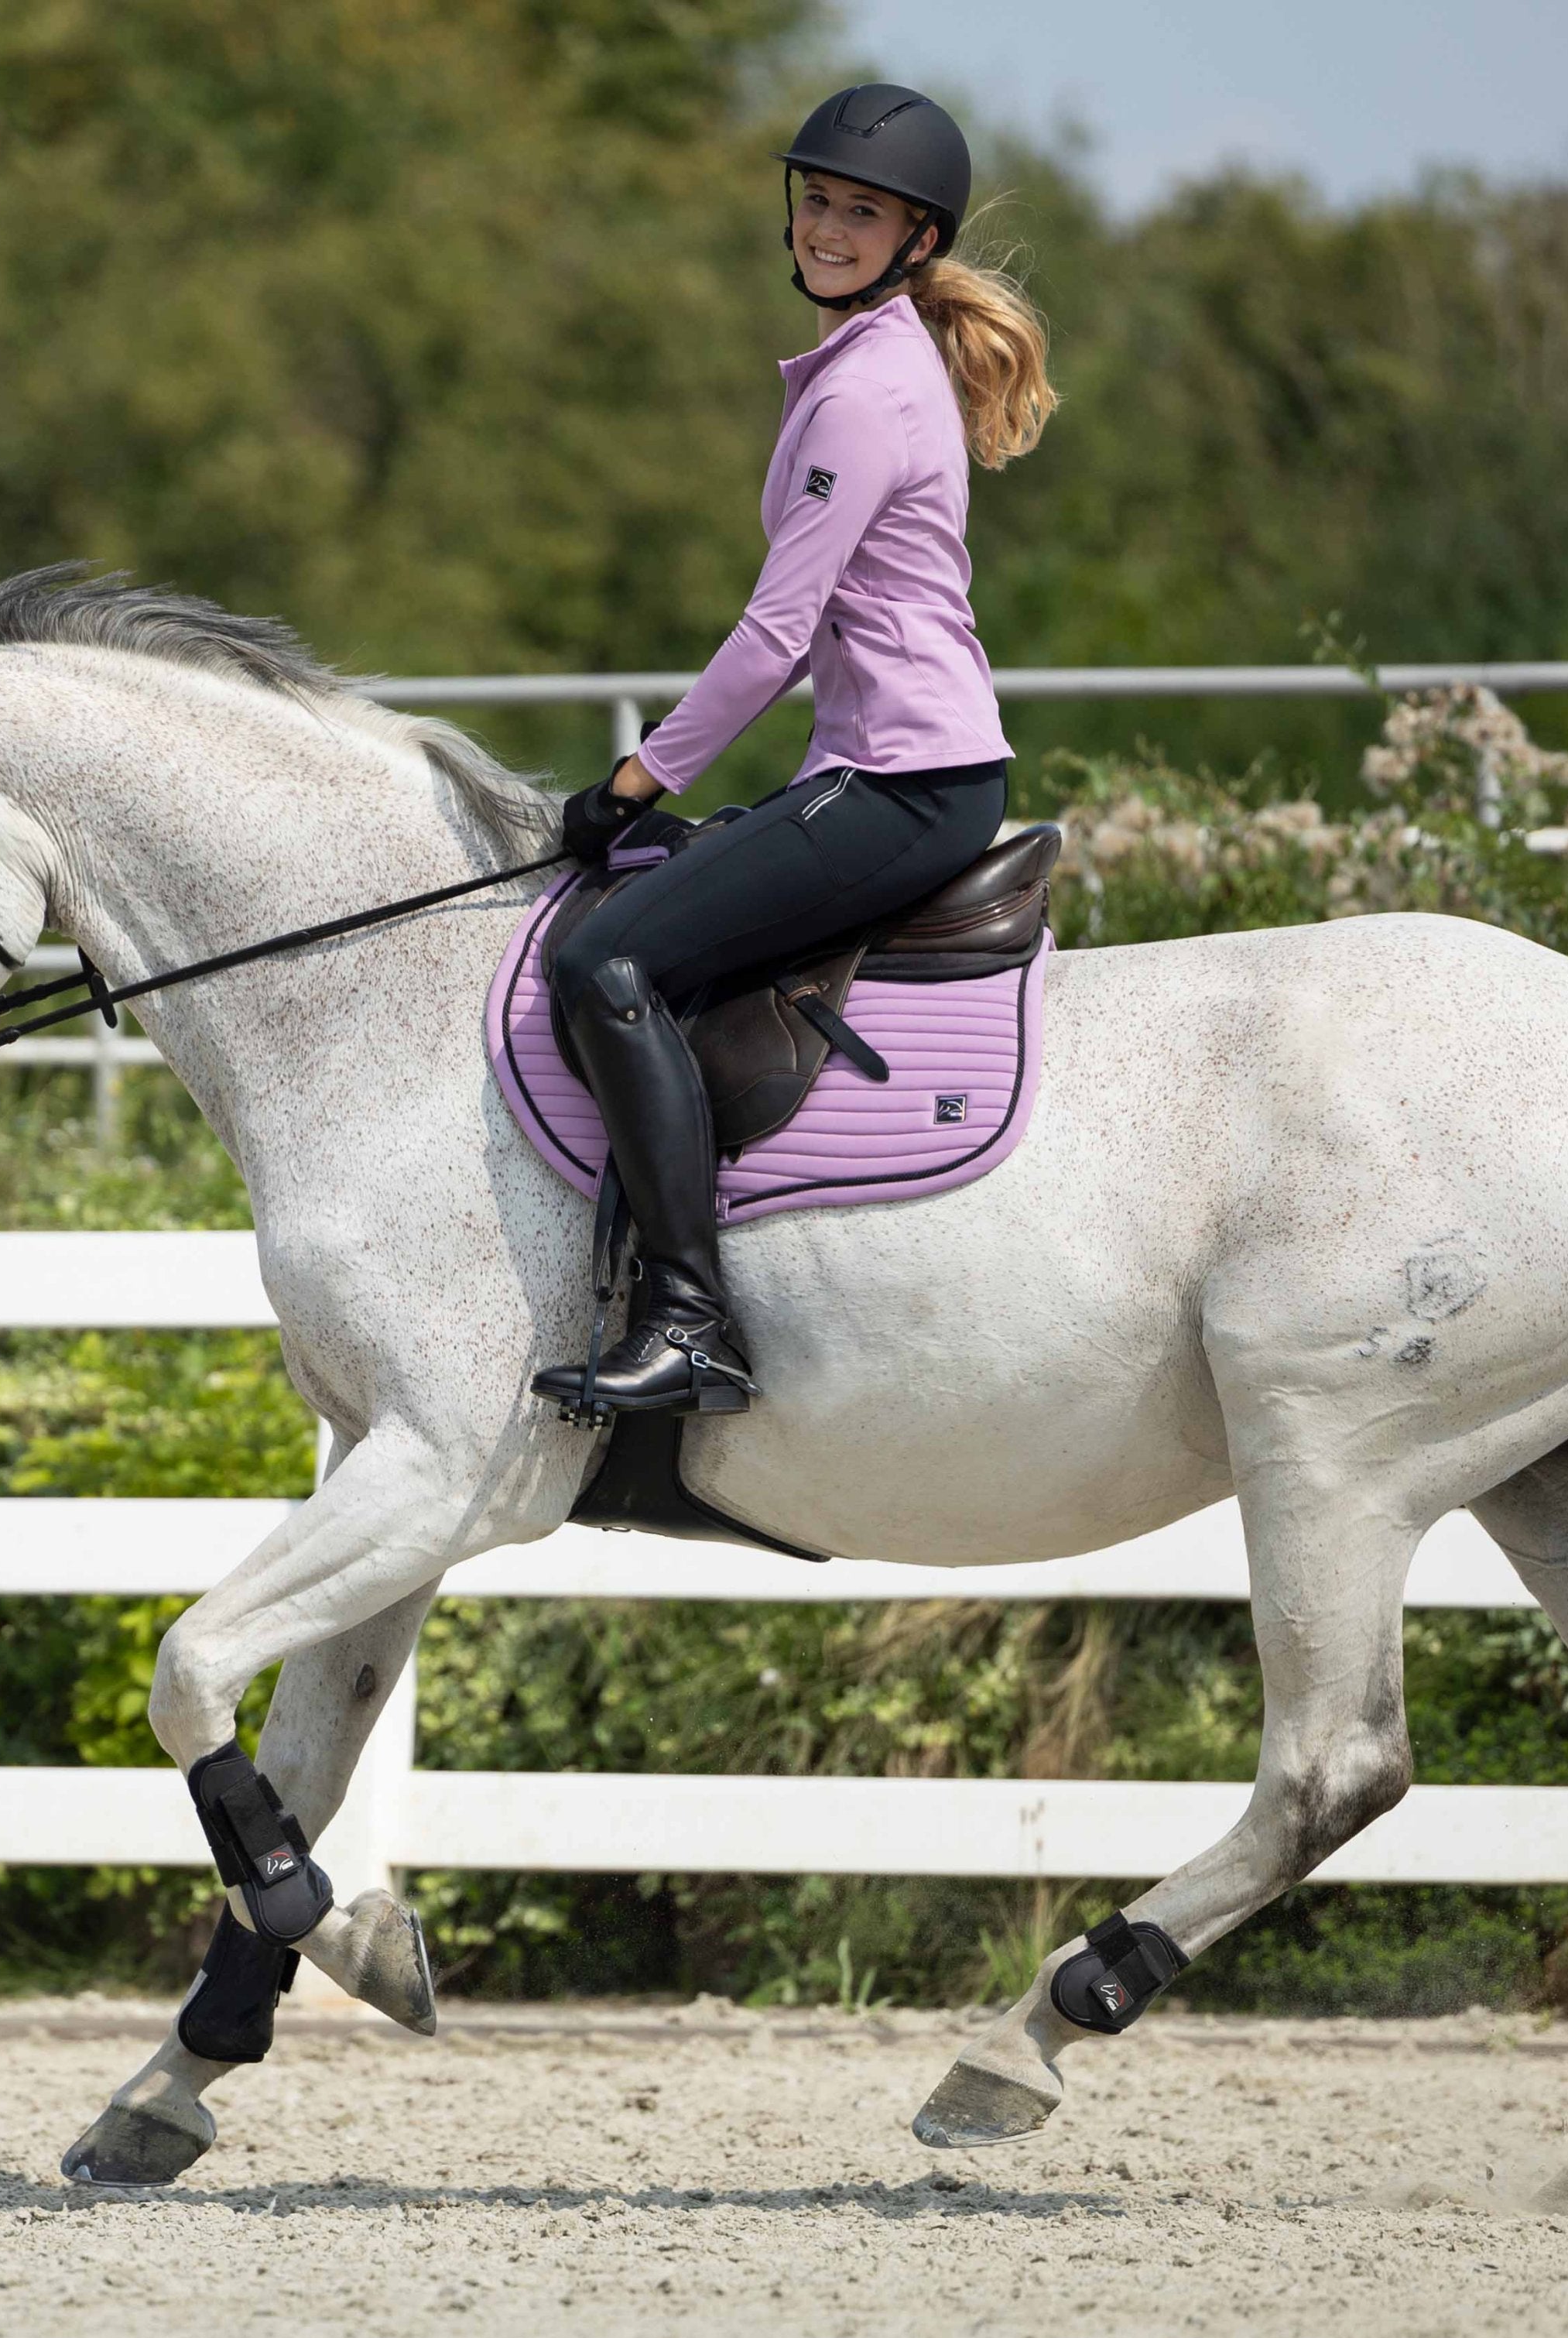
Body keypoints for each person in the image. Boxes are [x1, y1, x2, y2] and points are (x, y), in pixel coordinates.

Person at [531, 82, 1058, 1419]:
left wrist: (638, 781)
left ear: (916, 241)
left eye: (860, 211)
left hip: (903, 781)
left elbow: (775, 634)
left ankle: (691, 1320)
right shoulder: (871, 366)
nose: (826, 226)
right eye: (815, 198)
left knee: (606, 956)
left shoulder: (863, 393)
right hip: (883, 766)